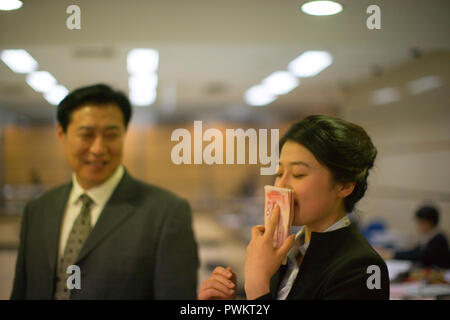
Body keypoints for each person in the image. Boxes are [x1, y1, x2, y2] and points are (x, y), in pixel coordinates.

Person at [10, 84, 199, 299]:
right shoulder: (38, 210)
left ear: (124, 135)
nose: (98, 149)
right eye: (87, 134)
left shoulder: (166, 213)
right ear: (62, 135)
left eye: (111, 135)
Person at [198, 115, 389, 300]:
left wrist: (257, 286)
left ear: (344, 186)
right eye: (279, 172)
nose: (280, 186)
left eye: (298, 174)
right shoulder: (288, 250)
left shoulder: (362, 268)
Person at [377, 205, 450, 269]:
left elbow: (420, 256)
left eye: (420, 222)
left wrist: (392, 255)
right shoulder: (427, 236)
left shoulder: (439, 239)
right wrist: (391, 252)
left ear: (428, 222)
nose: (418, 225)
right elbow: (415, 251)